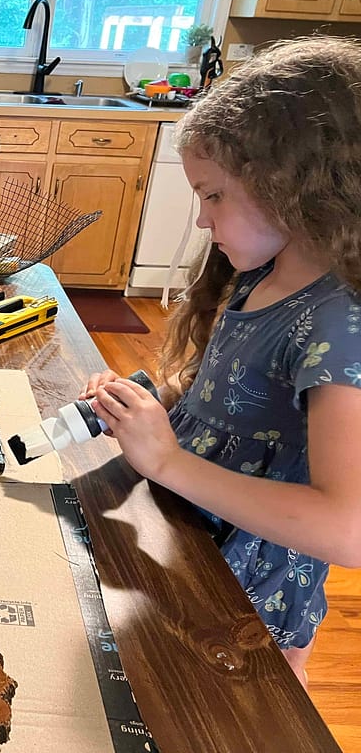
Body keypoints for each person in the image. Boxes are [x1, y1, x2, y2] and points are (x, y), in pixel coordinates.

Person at [78, 36, 361, 689]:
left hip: (250, 603)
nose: (203, 221)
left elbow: (346, 530)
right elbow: (224, 391)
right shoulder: (260, 271)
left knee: (237, 714)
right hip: (194, 548)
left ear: (293, 187)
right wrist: (146, 398)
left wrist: (168, 461)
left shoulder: (338, 325)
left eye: (213, 196)